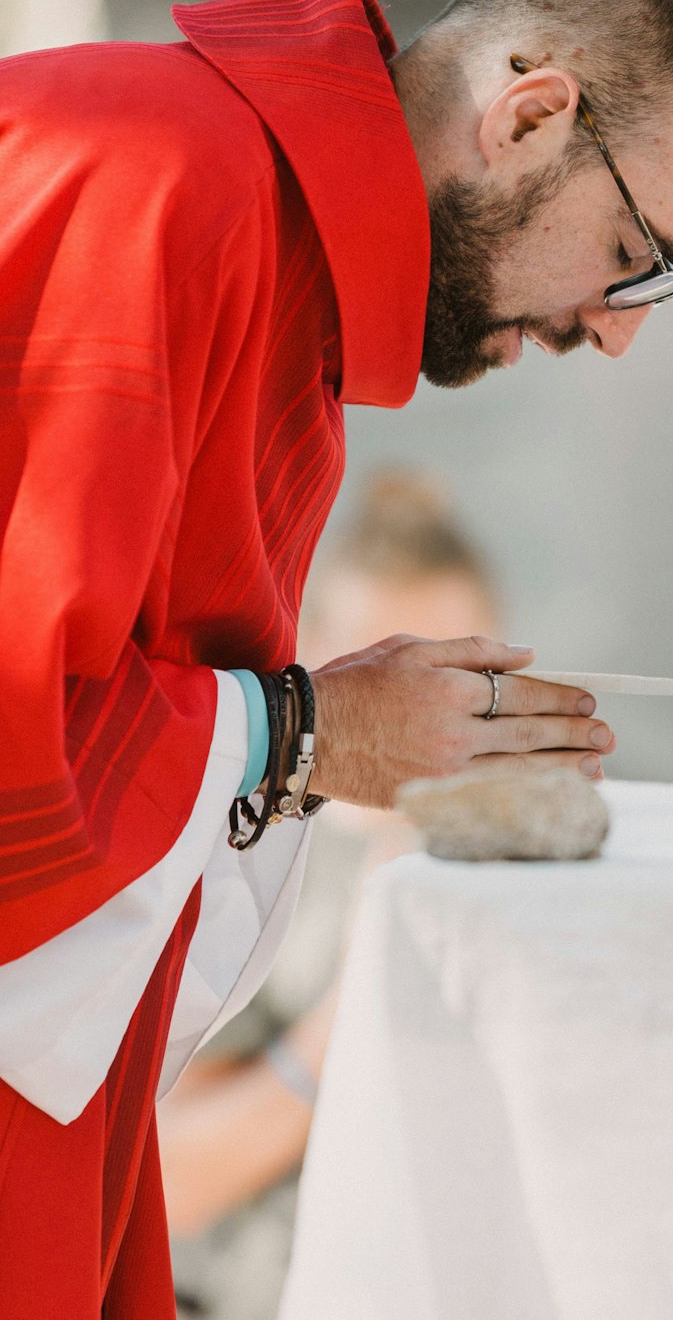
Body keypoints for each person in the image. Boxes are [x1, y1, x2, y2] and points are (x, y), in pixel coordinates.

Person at [0, 0, 673, 1316]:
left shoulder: (256, 233)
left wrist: (322, 729)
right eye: (637, 255)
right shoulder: (155, 178)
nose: (618, 330)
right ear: (530, 115)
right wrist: (306, 732)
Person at [161, 466, 503, 1320]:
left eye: (458, 677)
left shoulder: (553, 841)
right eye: (390, 682)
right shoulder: (231, 858)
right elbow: (163, 1181)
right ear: (311, 661)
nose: (427, 723)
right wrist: (352, 1011)